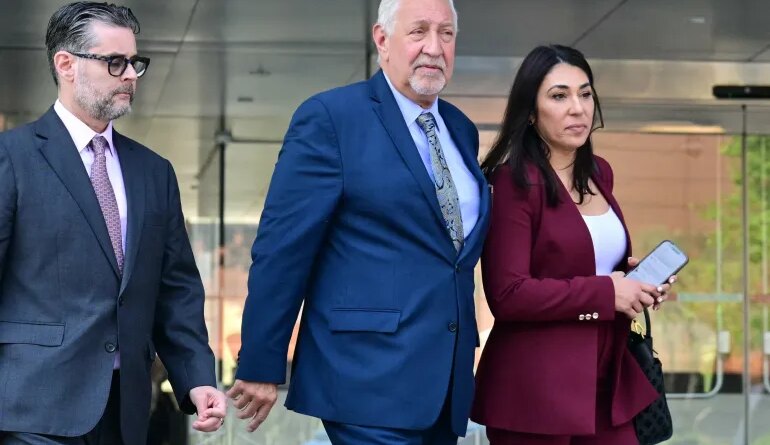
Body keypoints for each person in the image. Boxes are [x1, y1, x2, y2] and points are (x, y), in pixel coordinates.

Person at [226, 0, 490, 443]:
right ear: (382, 40)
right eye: (418, 31)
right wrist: (260, 361)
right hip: (365, 377)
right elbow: (282, 249)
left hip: (444, 385)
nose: (434, 47)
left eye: (446, 34)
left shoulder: (460, 129)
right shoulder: (332, 118)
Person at [0, 3, 226, 444]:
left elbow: (175, 287)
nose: (130, 76)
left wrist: (196, 377)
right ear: (66, 64)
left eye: (135, 63)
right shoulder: (11, 158)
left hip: (125, 413)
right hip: (32, 410)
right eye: (115, 62)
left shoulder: (153, 172)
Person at [470, 45, 674, 445]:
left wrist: (635, 283)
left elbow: (590, 263)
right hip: (537, 390)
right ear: (531, 110)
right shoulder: (512, 183)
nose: (578, 108)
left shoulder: (600, 173)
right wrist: (607, 292)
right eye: (559, 96)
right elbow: (508, 295)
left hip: (610, 377)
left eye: (585, 93)